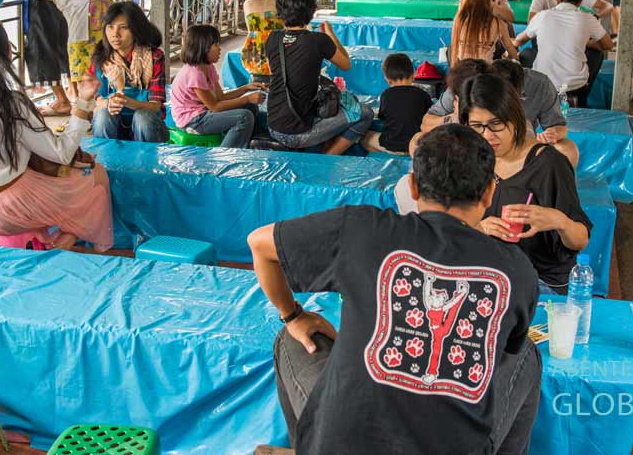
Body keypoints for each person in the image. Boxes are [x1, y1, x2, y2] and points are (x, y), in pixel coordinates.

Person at [248, 123, 541, 454]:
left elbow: (259, 244)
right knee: (527, 353)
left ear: (413, 186)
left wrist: (294, 315)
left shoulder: (360, 228)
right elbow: (503, 354)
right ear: (489, 192)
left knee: (292, 338)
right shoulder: (517, 270)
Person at [0, 18, 112, 252]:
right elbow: (61, 153)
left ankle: (42, 240)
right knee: (96, 177)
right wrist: (82, 103)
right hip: (4, 207)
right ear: (6, 52)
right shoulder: (8, 103)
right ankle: (74, 247)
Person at [464, 74, 590, 294]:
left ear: (514, 118)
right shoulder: (472, 159)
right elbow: (449, 226)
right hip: (489, 276)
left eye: (496, 124)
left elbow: (580, 240)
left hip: (540, 282)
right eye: (477, 126)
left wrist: (559, 221)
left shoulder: (549, 164)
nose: (487, 136)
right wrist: (478, 228)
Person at [265, 0, 374, 154]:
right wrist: (331, 34)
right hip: (297, 134)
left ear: (280, 13)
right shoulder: (319, 40)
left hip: (273, 125)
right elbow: (346, 64)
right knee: (365, 113)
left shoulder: (272, 38)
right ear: (311, 12)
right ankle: (326, 157)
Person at [421, 59, 577, 168]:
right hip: (472, 149)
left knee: (567, 148)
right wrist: (455, 117)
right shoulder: (468, 84)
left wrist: (553, 133)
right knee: (417, 141)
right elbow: (427, 123)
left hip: (520, 149)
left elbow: (559, 127)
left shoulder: (539, 85)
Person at [515, 0, 614, 108]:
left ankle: (531, 99)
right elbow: (608, 45)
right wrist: (585, 43)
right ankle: (580, 101)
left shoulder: (542, 15)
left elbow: (520, 40)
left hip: (544, 84)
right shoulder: (588, 18)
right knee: (597, 54)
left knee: (527, 53)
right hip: (575, 87)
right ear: (580, 2)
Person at [170, 24, 263, 149]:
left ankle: (247, 145)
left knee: (250, 107)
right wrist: (246, 98)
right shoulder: (194, 73)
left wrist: (245, 88)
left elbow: (220, 97)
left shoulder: (208, 67)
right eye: (216, 45)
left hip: (203, 113)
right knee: (244, 117)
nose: (220, 49)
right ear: (203, 48)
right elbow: (215, 106)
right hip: (192, 121)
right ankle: (224, 155)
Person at [89, 1, 169, 143]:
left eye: (123, 27)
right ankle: (106, 162)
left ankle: (145, 164)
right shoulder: (101, 57)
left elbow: (156, 105)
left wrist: (126, 101)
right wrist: (108, 103)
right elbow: (98, 98)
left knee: (142, 117)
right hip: (115, 125)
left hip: (148, 128)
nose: (115, 34)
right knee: (103, 115)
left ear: (136, 29)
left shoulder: (154, 57)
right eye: (110, 27)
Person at [360, 53, 433, 155]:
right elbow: (430, 115)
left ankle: (384, 158)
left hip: (391, 145)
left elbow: (382, 116)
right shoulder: (422, 94)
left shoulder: (385, 95)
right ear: (413, 76)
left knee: (364, 138)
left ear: (388, 81)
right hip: (417, 146)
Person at [450, 0, 518, 65]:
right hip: (485, 71)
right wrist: (516, 62)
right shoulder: (497, 22)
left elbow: (454, 52)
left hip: (463, 70)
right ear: (488, 1)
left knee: (449, 50)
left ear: (466, 0)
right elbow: (510, 49)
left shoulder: (459, 20)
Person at [241, 0, 284, 84]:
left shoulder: (247, 4)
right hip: (276, 48)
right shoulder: (279, 3)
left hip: (253, 52)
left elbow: (250, 30)